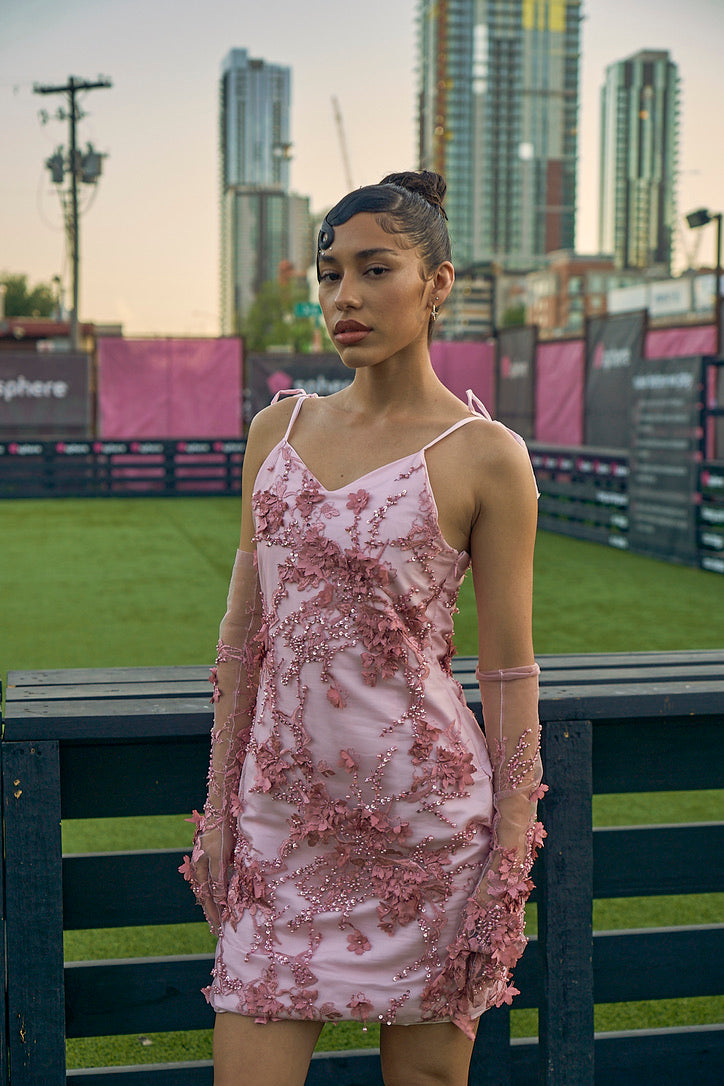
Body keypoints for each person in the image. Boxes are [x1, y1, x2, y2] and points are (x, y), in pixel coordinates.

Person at [181, 170, 544, 1086]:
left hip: (430, 833)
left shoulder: (486, 458)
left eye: (375, 270)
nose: (344, 297)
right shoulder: (276, 431)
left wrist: (508, 857)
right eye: (329, 273)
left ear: (438, 283)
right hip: (278, 828)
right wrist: (220, 812)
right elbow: (241, 639)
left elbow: (509, 675)